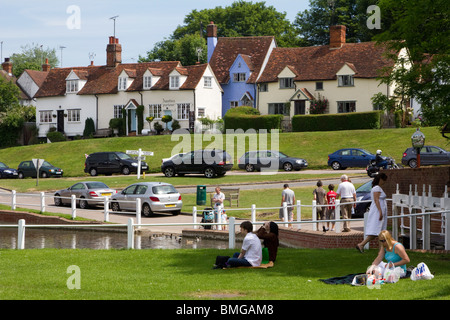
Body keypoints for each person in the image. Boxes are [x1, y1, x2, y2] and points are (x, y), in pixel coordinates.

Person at [356, 173, 388, 253]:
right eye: (384, 180)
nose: (384, 182)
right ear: (380, 179)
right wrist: (380, 212)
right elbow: (376, 200)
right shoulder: (377, 188)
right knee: (377, 231)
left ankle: (381, 250)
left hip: (379, 210)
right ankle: (362, 244)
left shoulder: (377, 188)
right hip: (377, 211)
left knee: (380, 231)